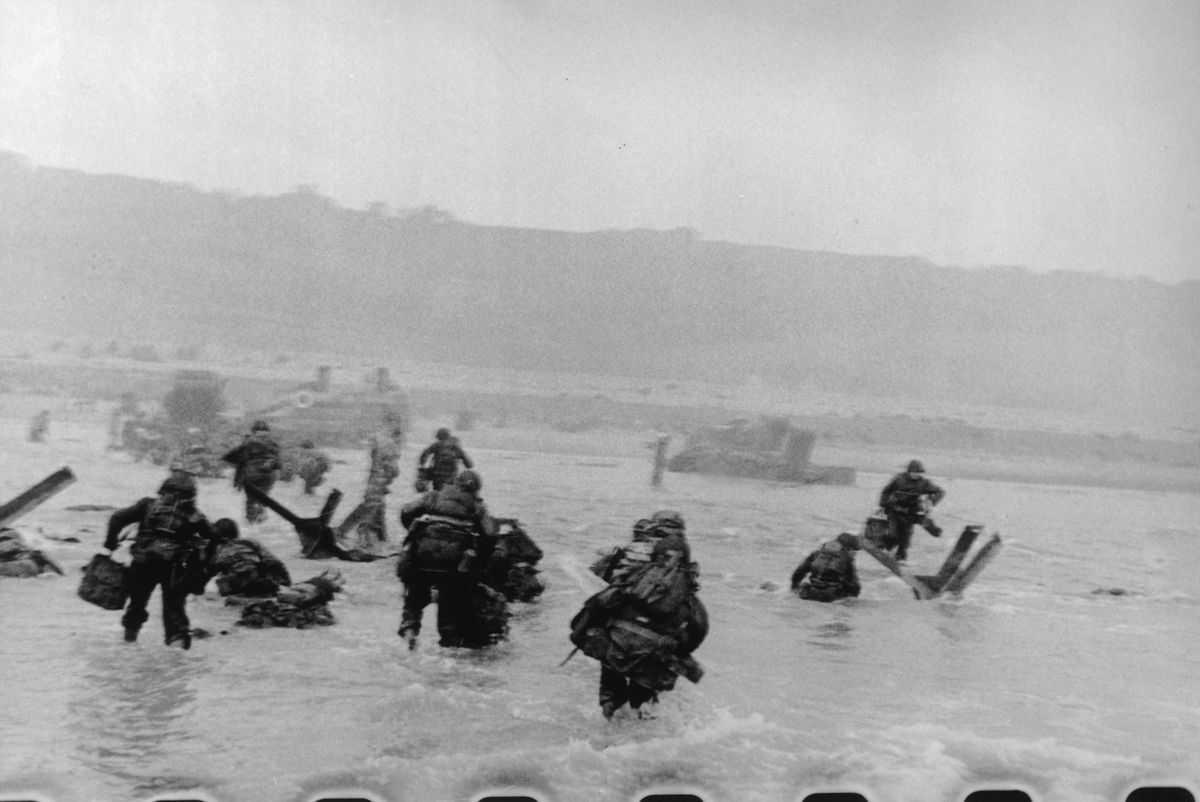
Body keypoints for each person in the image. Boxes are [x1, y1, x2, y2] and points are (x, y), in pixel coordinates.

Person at [573, 510, 706, 720]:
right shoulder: (684, 589)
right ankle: (642, 736)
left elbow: (598, 603)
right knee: (644, 705)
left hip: (618, 648)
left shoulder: (634, 572)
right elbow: (699, 629)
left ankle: (609, 736)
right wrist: (676, 648)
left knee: (612, 696)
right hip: (655, 658)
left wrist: (589, 631)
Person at [395, 469, 507, 650]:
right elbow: (490, 533)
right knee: (449, 613)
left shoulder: (434, 496)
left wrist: (416, 532)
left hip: (422, 556)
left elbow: (406, 511)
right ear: (476, 489)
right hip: (453, 565)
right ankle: (448, 650)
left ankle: (410, 632)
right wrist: (480, 559)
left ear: (456, 483)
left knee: (414, 600)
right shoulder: (477, 505)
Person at [103, 473, 214, 649]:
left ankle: (128, 647)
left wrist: (110, 543)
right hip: (174, 568)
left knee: (137, 605)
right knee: (174, 612)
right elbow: (214, 539)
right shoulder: (196, 516)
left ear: (164, 489)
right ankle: (176, 658)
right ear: (192, 494)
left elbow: (117, 518)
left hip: (143, 562)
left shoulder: (147, 505)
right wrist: (199, 565)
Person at [204, 517, 292, 597]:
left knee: (221, 579)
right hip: (260, 581)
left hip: (236, 587)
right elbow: (273, 562)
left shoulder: (217, 550)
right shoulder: (249, 542)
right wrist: (286, 583)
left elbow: (208, 572)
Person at [877, 459, 945, 562]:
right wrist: (882, 504)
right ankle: (886, 548)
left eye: (919, 473)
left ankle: (900, 558)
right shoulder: (899, 479)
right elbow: (886, 491)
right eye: (914, 472)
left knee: (905, 537)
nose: (917, 475)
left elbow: (940, 492)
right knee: (893, 534)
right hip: (895, 511)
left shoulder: (924, 483)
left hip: (911, 513)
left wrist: (931, 501)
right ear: (909, 471)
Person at [236, 570, 345, 629]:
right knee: (332, 580)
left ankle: (331, 577)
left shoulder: (265, 609)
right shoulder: (268, 608)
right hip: (305, 591)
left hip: (306, 591)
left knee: (332, 580)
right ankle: (331, 577)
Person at [356, 419, 403, 549]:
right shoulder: (391, 446)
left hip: (374, 479)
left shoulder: (381, 443)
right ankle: (365, 540)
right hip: (379, 482)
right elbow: (393, 469)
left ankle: (380, 538)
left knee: (377, 509)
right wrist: (389, 478)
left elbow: (377, 459)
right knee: (373, 510)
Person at [224, 420, 282, 524]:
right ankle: (260, 515)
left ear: (253, 430)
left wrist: (226, 458)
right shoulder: (274, 442)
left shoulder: (249, 440)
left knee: (251, 498)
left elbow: (236, 456)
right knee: (263, 496)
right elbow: (278, 463)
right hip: (269, 475)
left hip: (252, 473)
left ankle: (251, 521)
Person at [790, 533, 862, 602]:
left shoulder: (816, 554)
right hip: (830, 597)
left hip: (808, 593)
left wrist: (794, 587)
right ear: (848, 548)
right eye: (855, 551)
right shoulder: (847, 559)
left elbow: (797, 574)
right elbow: (855, 587)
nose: (855, 554)